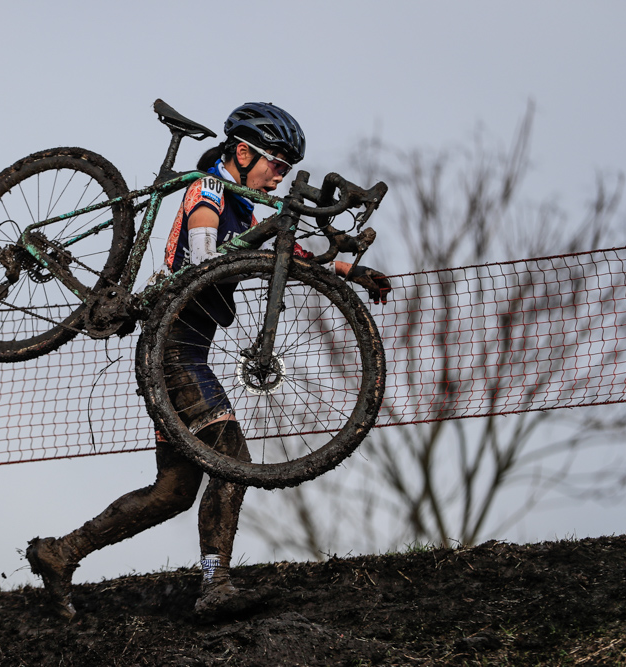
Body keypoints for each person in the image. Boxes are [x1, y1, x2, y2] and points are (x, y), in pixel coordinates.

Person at [26, 102, 390, 620]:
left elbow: (290, 253)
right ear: (243, 152)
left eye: (287, 169)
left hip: (178, 352)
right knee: (233, 456)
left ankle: (60, 553)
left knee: (172, 492)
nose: (279, 176)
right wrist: (251, 254)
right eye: (276, 164)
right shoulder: (212, 190)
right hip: (171, 351)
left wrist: (355, 272)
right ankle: (215, 585)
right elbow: (203, 254)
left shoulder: (243, 207)